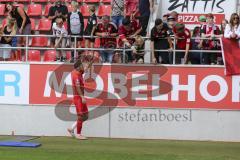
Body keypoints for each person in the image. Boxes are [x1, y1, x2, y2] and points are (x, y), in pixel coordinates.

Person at [68, 59, 94, 140]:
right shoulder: (75, 75)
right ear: (79, 67)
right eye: (82, 65)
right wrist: (82, 97)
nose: (84, 67)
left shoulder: (79, 72)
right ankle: (78, 134)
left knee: (85, 116)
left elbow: (85, 69)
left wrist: (91, 62)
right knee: (81, 116)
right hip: (78, 98)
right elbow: (77, 87)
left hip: (80, 97)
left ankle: (72, 128)